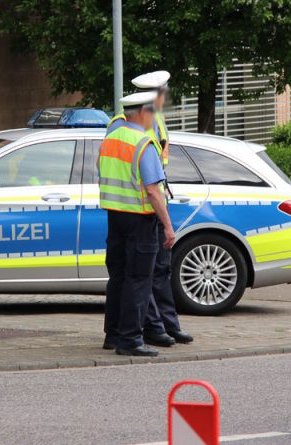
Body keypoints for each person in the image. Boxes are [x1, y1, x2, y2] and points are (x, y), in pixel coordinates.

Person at [107, 71, 193, 348]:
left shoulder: (135, 124)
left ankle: (160, 325)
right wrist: (166, 222)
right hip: (142, 209)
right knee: (140, 276)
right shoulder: (132, 130)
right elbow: (149, 181)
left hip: (124, 209)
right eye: (162, 93)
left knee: (153, 272)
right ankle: (143, 331)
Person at [99, 91, 175, 357]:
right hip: (140, 220)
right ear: (142, 113)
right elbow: (154, 191)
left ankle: (113, 334)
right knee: (139, 280)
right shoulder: (143, 143)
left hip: (114, 216)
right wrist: (168, 226)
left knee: (118, 277)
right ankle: (130, 340)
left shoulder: (110, 138)